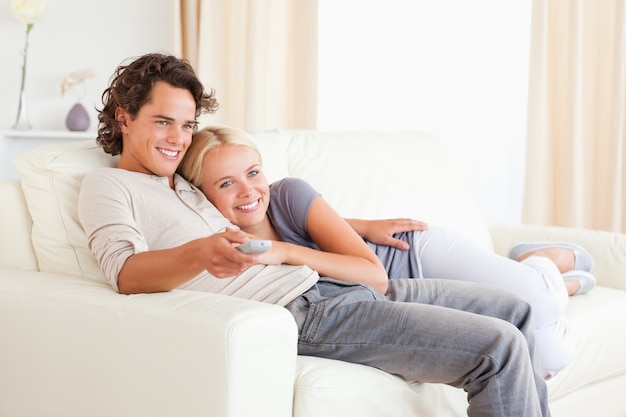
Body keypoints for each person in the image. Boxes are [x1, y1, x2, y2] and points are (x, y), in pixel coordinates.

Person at [78, 52, 552, 416]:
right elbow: (126, 273)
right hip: (307, 313)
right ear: (124, 117)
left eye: (186, 125)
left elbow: (265, 202)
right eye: (163, 122)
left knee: (517, 311)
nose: (177, 138)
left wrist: (357, 226)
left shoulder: (186, 177)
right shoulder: (109, 185)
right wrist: (199, 254)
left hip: (336, 287)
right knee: (497, 347)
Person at [178, 125, 597, 377]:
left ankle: (537, 262)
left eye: (253, 173)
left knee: (538, 300)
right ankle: (552, 282)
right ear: (201, 195)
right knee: (552, 356)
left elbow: (374, 274)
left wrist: (284, 250)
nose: (249, 189)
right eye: (226, 183)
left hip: (410, 256)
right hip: (394, 297)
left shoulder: (288, 194)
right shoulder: (219, 242)